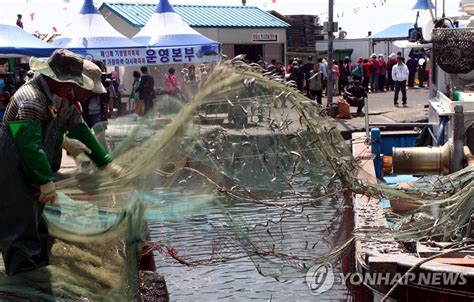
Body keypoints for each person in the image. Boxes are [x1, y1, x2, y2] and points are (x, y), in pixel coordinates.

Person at [0, 49, 122, 276]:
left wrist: (105, 162)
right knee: (20, 231)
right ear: (58, 80)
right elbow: (29, 146)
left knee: (38, 229)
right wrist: (45, 180)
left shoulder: (58, 98)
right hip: (14, 173)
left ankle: (38, 275)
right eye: (73, 84)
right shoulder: (31, 100)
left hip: (33, 172)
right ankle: (24, 287)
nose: (76, 90)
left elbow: (80, 129)